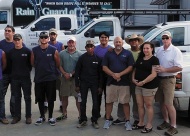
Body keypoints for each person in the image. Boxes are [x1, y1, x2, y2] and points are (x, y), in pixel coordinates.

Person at [102, 36, 134, 130]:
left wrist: (120, 74)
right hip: (111, 82)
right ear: (114, 43)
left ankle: (127, 121)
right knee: (109, 102)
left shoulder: (127, 53)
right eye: (116, 42)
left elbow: (130, 67)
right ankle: (108, 120)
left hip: (124, 83)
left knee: (125, 102)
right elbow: (104, 67)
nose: (118, 44)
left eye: (119, 42)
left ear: (122, 43)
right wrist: (113, 75)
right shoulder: (109, 53)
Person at [155, 31, 183, 136]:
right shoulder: (159, 50)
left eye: (167, 38)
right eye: (163, 38)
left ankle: (173, 126)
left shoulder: (175, 51)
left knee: (169, 103)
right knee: (161, 103)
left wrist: (165, 69)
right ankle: (166, 121)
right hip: (159, 79)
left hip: (169, 79)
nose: (165, 40)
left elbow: (179, 67)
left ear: (170, 39)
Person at [112, 34, 143, 126]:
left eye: (135, 40)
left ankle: (137, 118)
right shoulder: (127, 52)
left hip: (137, 80)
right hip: (125, 79)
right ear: (129, 42)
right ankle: (121, 117)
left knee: (136, 100)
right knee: (123, 99)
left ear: (138, 41)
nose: (133, 42)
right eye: (131, 40)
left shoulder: (143, 52)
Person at [31, 31, 60, 126]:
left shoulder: (53, 50)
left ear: (48, 39)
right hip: (39, 78)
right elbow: (32, 63)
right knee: (40, 98)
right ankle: (42, 116)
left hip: (50, 78)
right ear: (39, 39)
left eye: (45, 37)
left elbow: (57, 63)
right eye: (42, 37)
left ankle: (50, 117)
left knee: (51, 98)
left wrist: (50, 70)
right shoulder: (34, 50)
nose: (44, 39)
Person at [132, 41, 159, 133]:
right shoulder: (140, 57)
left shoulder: (155, 60)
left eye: (147, 48)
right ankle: (141, 123)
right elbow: (135, 69)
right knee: (139, 105)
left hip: (149, 86)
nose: (145, 50)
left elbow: (154, 74)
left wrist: (143, 82)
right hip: (138, 85)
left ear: (152, 49)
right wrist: (133, 79)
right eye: (144, 48)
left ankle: (149, 125)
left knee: (148, 105)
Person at [75, 40, 102, 129]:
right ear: (85, 48)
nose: (90, 48)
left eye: (91, 46)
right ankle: (83, 119)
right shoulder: (82, 58)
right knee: (83, 102)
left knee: (95, 102)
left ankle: (94, 120)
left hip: (94, 83)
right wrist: (77, 85)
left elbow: (100, 74)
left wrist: (100, 86)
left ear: (94, 48)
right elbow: (77, 72)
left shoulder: (98, 59)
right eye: (88, 47)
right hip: (84, 83)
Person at [56, 36, 82, 122]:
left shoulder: (80, 54)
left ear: (75, 43)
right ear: (67, 43)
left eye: (72, 42)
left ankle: (81, 115)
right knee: (64, 96)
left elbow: (79, 68)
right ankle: (64, 113)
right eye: (69, 42)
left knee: (77, 97)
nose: (71, 44)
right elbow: (59, 65)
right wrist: (64, 74)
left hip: (76, 79)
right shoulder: (62, 53)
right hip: (64, 78)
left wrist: (71, 74)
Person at [8, 34, 32, 124]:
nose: (17, 41)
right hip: (15, 79)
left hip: (25, 78)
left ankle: (28, 116)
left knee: (27, 97)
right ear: (13, 41)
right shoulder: (10, 52)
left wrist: (25, 72)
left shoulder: (27, 51)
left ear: (22, 40)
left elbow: (30, 65)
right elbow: (9, 66)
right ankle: (17, 116)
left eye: (18, 40)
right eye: (15, 40)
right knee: (17, 98)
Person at [43, 28, 65, 113]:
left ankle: (61, 105)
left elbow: (63, 58)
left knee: (61, 90)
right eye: (51, 34)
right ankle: (45, 105)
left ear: (56, 35)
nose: (52, 36)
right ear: (49, 36)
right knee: (46, 90)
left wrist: (63, 70)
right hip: (48, 72)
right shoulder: (46, 44)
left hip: (58, 72)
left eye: (54, 34)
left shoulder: (60, 45)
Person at [94, 31, 113, 120]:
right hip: (97, 76)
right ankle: (97, 113)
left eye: (105, 37)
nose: (104, 39)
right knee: (98, 95)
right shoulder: (95, 49)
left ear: (108, 39)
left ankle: (107, 114)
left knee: (108, 96)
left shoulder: (111, 49)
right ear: (99, 39)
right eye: (102, 37)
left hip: (108, 76)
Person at [0, 25, 16, 124]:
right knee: (1, 96)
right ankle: (2, 116)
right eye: (5, 31)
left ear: (13, 33)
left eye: (9, 31)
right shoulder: (1, 44)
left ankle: (14, 114)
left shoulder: (17, 42)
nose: (6, 32)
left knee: (14, 95)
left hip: (15, 74)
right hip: (4, 75)